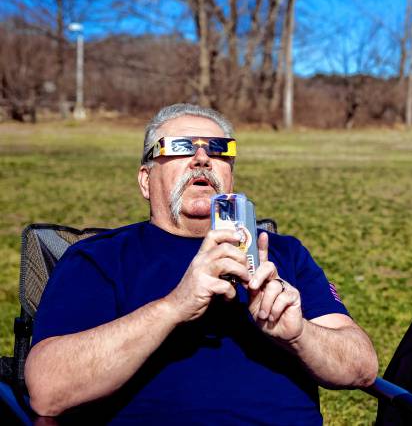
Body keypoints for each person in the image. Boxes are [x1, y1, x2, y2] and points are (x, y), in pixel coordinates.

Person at [24, 103, 378, 424]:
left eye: (219, 149)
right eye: (180, 147)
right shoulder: (100, 257)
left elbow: (361, 368)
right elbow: (47, 391)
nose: (202, 158)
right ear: (146, 180)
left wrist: (300, 334)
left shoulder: (282, 254)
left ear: (231, 175)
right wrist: (173, 307)